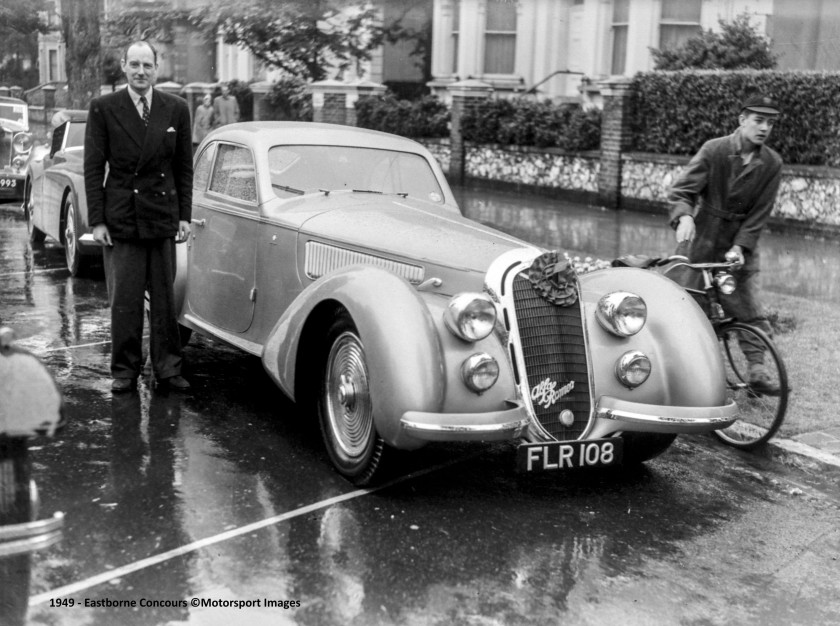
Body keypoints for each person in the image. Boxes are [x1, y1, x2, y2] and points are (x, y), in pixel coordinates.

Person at [84, 40, 193, 392]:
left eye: (147, 65)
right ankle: (124, 371)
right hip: (122, 219)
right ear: (123, 67)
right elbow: (93, 168)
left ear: (157, 68)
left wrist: (184, 217)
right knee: (125, 301)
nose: (140, 72)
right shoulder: (104, 108)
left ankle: (168, 368)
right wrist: (98, 220)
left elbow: (183, 168)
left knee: (165, 300)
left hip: (162, 216)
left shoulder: (176, 108)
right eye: (134, 65)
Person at [668, 94, 783, 389]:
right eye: (758, 120)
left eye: (770, 122)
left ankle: (757, 369)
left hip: (740, 245)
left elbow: (760, 213)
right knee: (689, 305)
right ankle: (682, 371)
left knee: (748, 305)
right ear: (742, 120)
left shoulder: (771, 163)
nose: (764, 128)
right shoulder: (714, 150)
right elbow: (682, 191)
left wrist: (741, 246)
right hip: (703, 238)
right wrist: (684, 217)